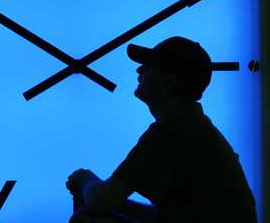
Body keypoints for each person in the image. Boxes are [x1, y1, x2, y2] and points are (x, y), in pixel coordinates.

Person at [66, 36, 258, 223]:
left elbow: (101, 202)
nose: (139, 70)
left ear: (168, 83)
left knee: (84, 220)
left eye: (149, 66)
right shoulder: (194, 126)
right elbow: (166, 214)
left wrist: (85, 179)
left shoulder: (169, 131)